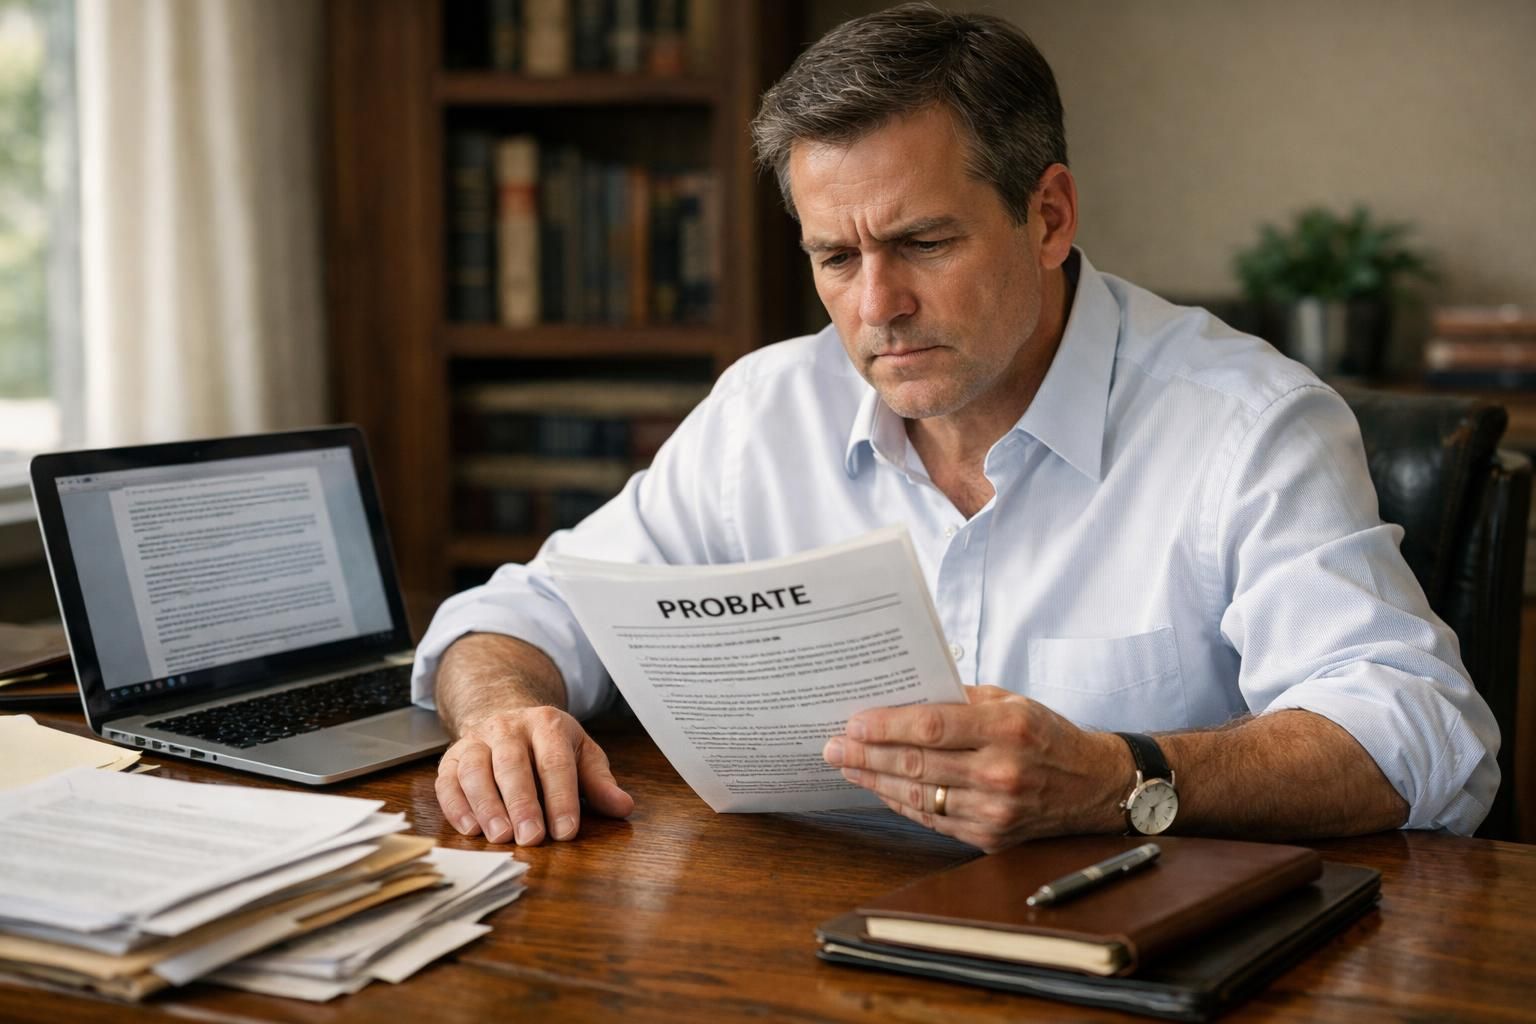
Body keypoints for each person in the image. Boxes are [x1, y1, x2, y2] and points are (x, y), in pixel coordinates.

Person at [413, 3, 1498, 851]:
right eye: (836, 258)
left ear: (1049, 215)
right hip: (791, 941)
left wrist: (1124, 778)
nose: (876, 307)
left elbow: (1425, 734)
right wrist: (503, 713)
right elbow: (515, 615)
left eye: (924, 242)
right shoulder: (762, 412)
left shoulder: (1248, 425)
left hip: (1128, 951)